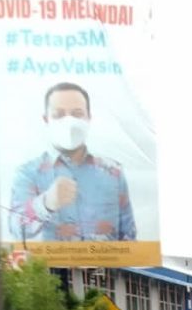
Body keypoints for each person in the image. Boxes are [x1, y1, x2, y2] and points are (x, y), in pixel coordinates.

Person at [9, 82, 137, 242]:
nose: (69, 121)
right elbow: (16, 229)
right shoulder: (27, 173)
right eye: (58, 114)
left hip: (103, 266)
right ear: (46, 119)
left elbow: (129, 236)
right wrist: (46, 203)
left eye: (77, 114)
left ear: (88, 117)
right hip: (47, 266)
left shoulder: (113, 171)